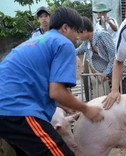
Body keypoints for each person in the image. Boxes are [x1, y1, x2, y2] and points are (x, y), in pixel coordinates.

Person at [0, 6, 103, 156]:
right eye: (76, 31)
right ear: (65, 28)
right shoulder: (63, 43)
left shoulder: (38, 41)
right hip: (18, 109)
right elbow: (56, 91)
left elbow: (42, 86)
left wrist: (67, 106)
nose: (78, 38)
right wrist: (86, 109)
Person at [76, 16, 126, 95]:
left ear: (84, 30)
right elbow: (76, 51)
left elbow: (114, 56)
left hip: (123, 69)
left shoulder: (102, 36)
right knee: (119, 98)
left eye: (78, 33)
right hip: (114, 74)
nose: (77, 36)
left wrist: (106, 72)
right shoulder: (86, 43)